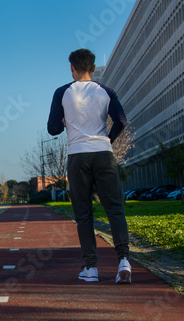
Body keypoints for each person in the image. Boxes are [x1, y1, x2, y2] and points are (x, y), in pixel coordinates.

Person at [47, 48, 132, 284]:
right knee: (114, 208)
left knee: (84, 214)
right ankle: (123, 260)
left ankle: (91, 268)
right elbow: (121, 121)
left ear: (71, 67)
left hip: (78, 156)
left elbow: (52, 128)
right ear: (94, 69)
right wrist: (108, 138)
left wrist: (66, 121)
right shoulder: (106, 91)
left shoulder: (62, 92)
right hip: (104, 154)